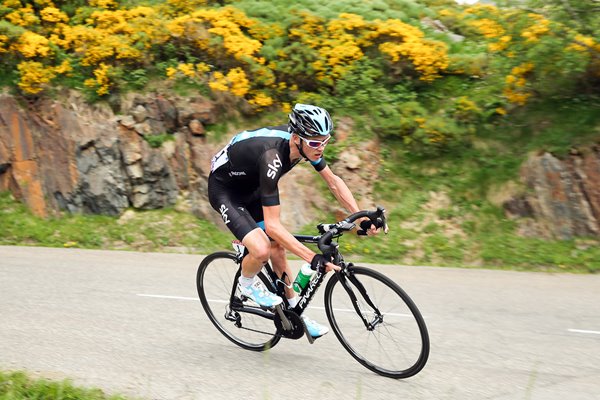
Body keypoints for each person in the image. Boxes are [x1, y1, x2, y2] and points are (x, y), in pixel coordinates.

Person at [208, 103, 379, 339]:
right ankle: (246, 284)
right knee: (262, 248)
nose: (321, 148)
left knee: (278, 248)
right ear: (297, 138)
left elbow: (333, 181)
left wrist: (360, 216)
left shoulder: (306, 146)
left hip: (253, 184)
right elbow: (273, 226)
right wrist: (312, 257)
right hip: (226, 190)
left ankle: (294, 312)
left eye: (325, 141)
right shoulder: (272, 158)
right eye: (316, 143)